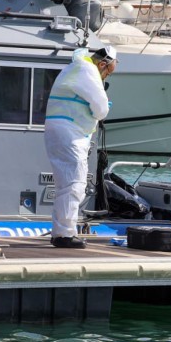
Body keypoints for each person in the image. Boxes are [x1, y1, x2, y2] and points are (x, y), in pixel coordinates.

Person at [45, 46, 116, 249]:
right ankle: (64, 235)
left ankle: (61, 231)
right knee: (74, 183)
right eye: (108, 71)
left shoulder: (75, 67)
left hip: (63, 129)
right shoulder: (88, 70)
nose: (106, 76)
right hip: (70, 131)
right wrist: (104, 106)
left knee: (65, 184)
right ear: (102, 64)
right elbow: (101, 109)